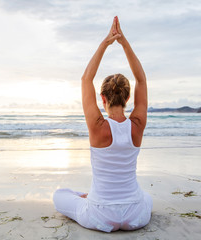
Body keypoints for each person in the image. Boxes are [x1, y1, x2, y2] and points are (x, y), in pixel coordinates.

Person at [53, 16, 152, 232]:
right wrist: (124, 43)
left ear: (102, 98)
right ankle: (96, 197)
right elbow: (142, 80)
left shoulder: (97, 125)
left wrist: (105, 43)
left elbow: (85, 80)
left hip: (100, 214)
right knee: (146, 196)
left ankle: (86, 196)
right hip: (136, 214)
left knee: (59, 195)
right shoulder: (137, 124)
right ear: (127, 99)